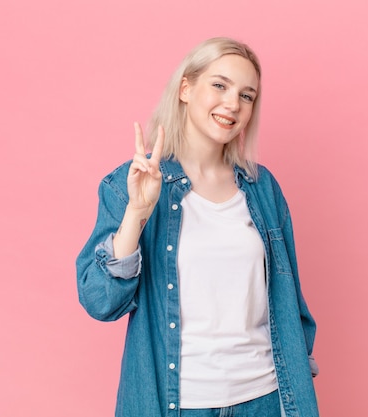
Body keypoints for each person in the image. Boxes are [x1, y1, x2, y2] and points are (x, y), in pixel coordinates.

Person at [76, 37, 319, 417]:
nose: (233, 104)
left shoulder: (263, 188)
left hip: (268, 399)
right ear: (186, 88)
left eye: (247, 95)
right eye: (219, 85)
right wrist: (138, 211)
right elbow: (100, 301)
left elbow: (291, 305)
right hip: (178, 404)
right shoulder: (133, 182)